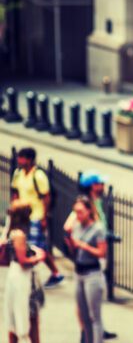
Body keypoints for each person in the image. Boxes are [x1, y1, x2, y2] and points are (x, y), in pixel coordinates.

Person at [10, 147, 63, 288]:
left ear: (29, 160)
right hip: (22, 216)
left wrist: (44, 218)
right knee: (32, 246)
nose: (19, 161)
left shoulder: (38, 176)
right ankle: (54, 273)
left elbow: (46, 197)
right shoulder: (18, 174)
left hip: (36, 216)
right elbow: (15, 192)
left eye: (21, 158)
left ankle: (50, 273)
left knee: (36, 247)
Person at [2, 201, 46, 343]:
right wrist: (39, 257)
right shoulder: (19, 235)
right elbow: (23, 261)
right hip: (22, 279)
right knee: (28, 317)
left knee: (14, 318)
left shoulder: (11, 231)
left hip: (14, 277)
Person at [67, 196, 107, 343]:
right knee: (84, 316)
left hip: (92, 274)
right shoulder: (76, 226)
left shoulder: (98, 229)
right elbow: (74, 252)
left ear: (89, 211)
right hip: (79, 272)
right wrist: (71, 243)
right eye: (76, 212)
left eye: (81, 212)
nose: (78, 215)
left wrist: (83, 245)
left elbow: (102, 253)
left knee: (94, 316)